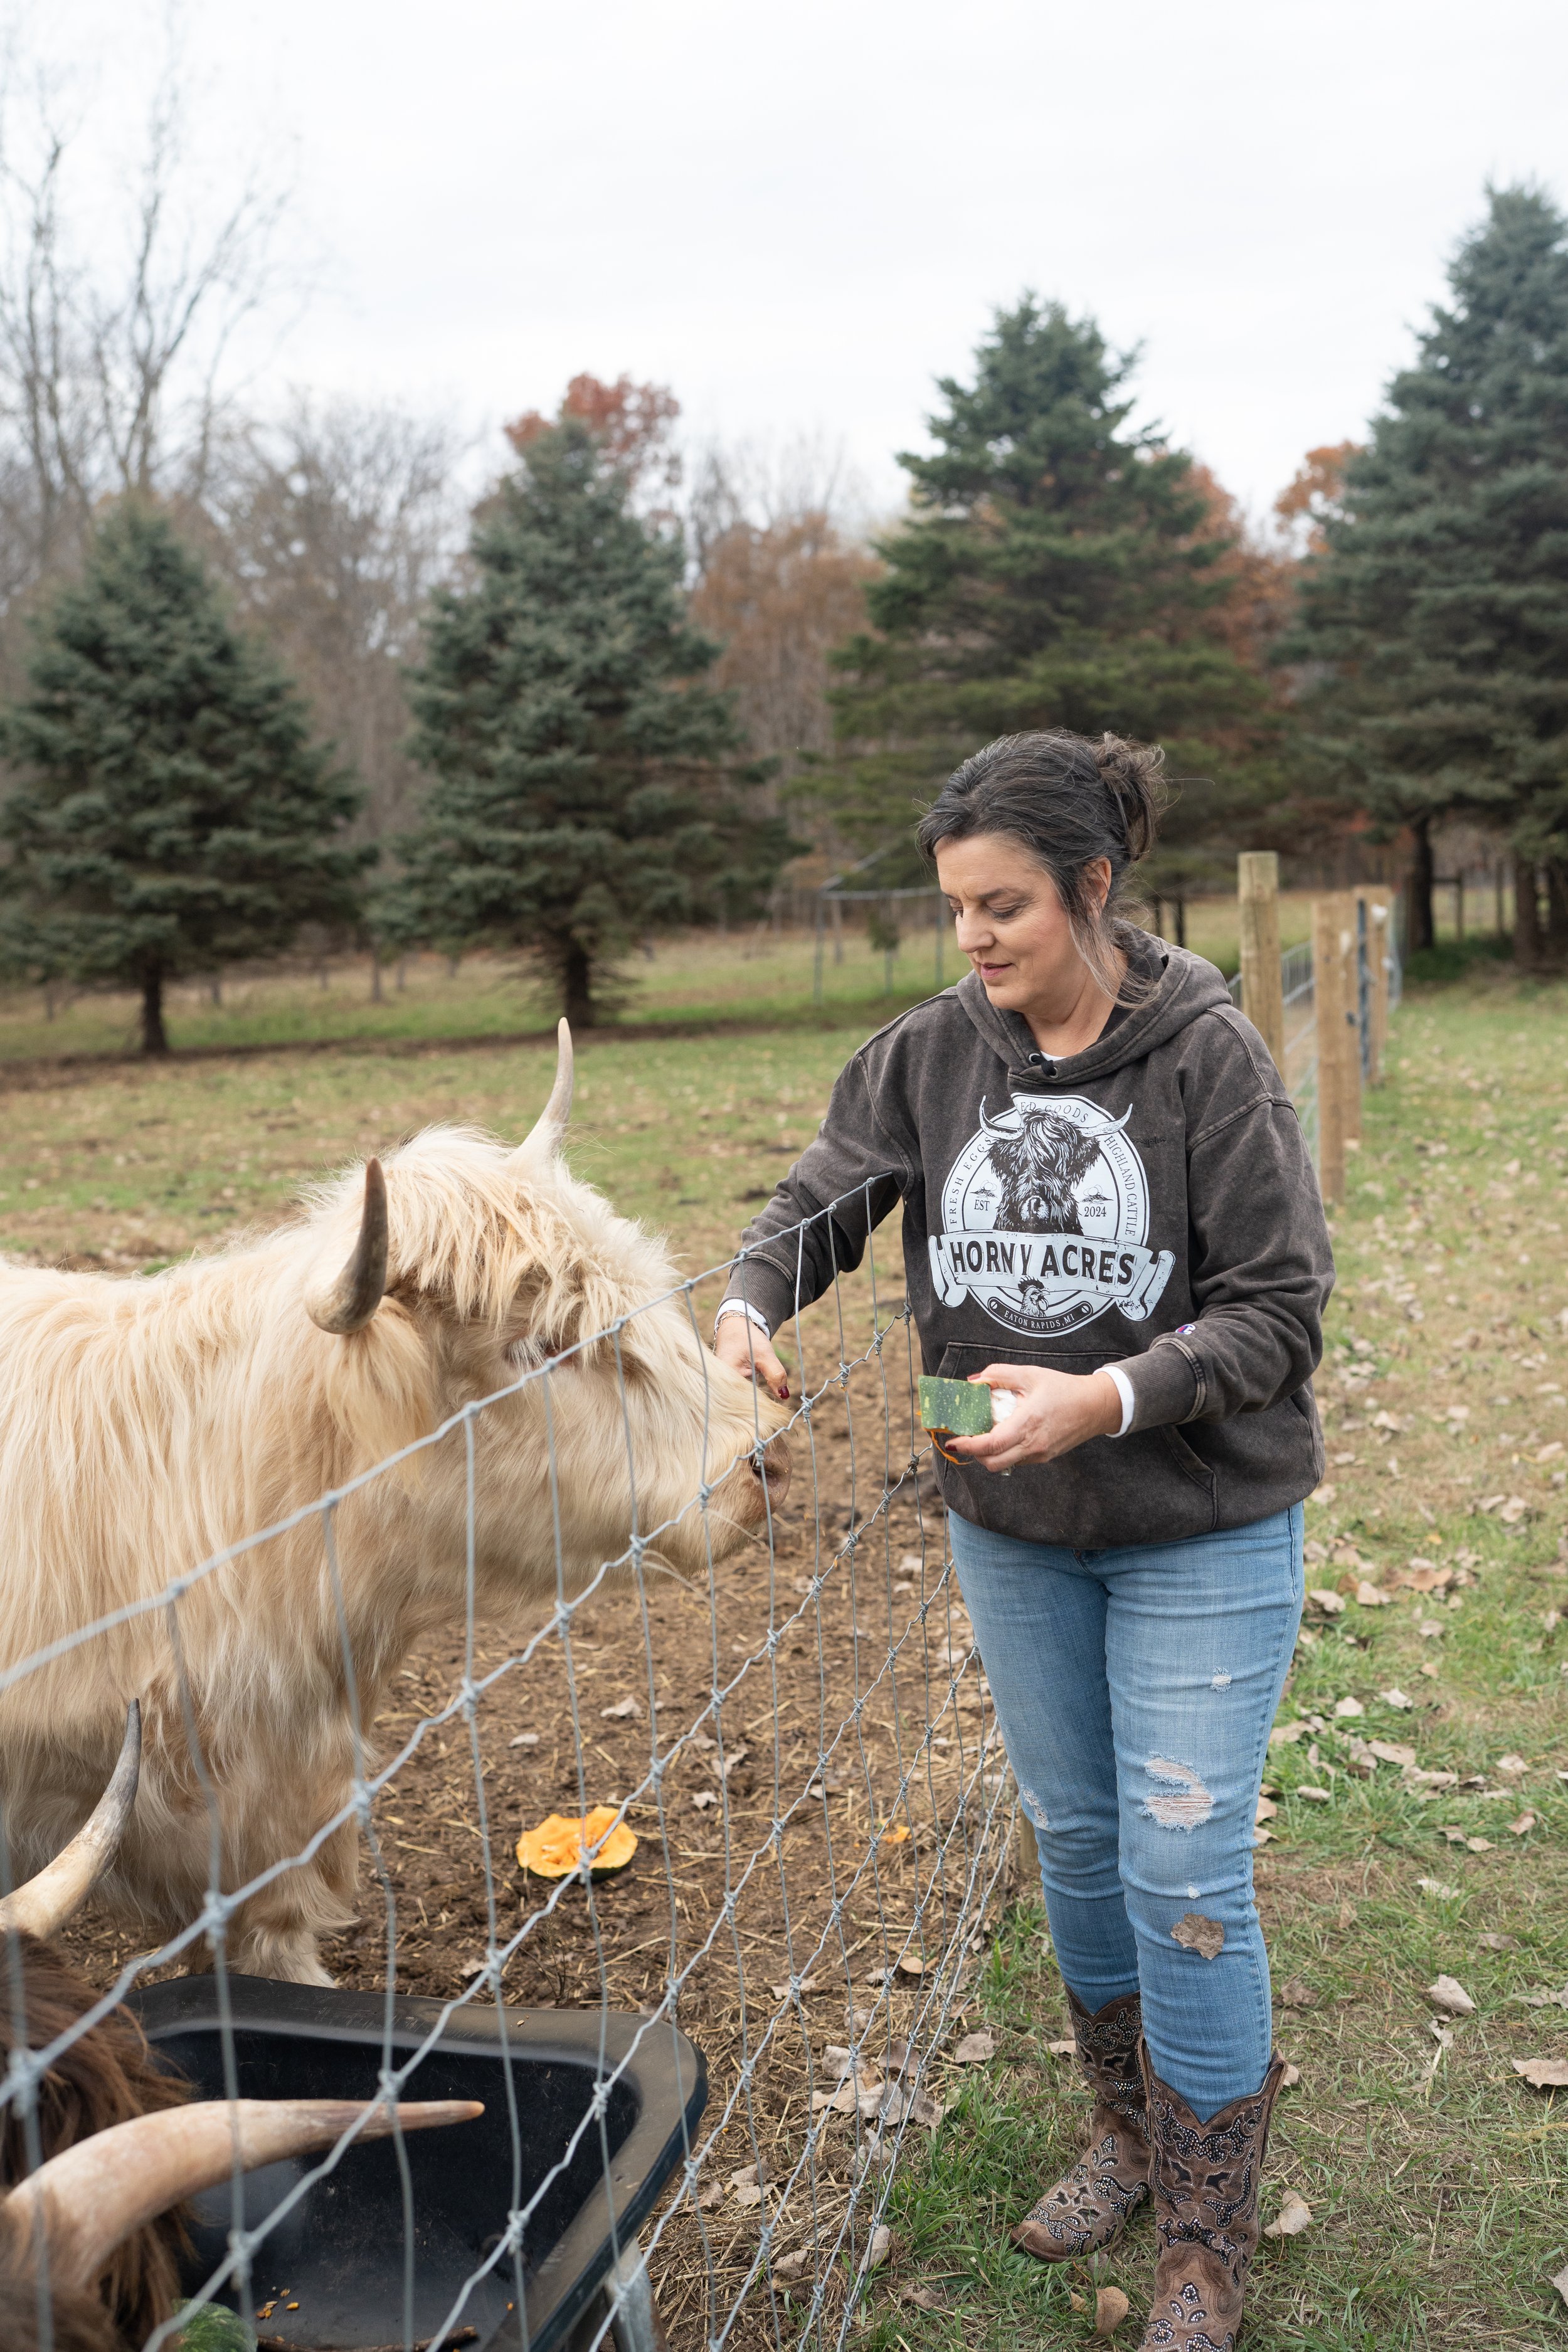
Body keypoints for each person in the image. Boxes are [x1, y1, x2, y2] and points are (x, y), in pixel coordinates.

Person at [713, 730, 1332, 2351]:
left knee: (1181, 1862)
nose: (975, 939)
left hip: (1193, 1526)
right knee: (1071, 1843)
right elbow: (821, 1197)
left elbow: (1279, 1315)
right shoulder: (929, 1056)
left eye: (1005, 907)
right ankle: (1124, 2134)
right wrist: (742, 1304)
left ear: (1095, 889)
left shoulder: (1208, 1063)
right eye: (957, 910)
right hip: (1008, 1527)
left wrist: (1109, 1395)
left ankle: (1204, 2219)